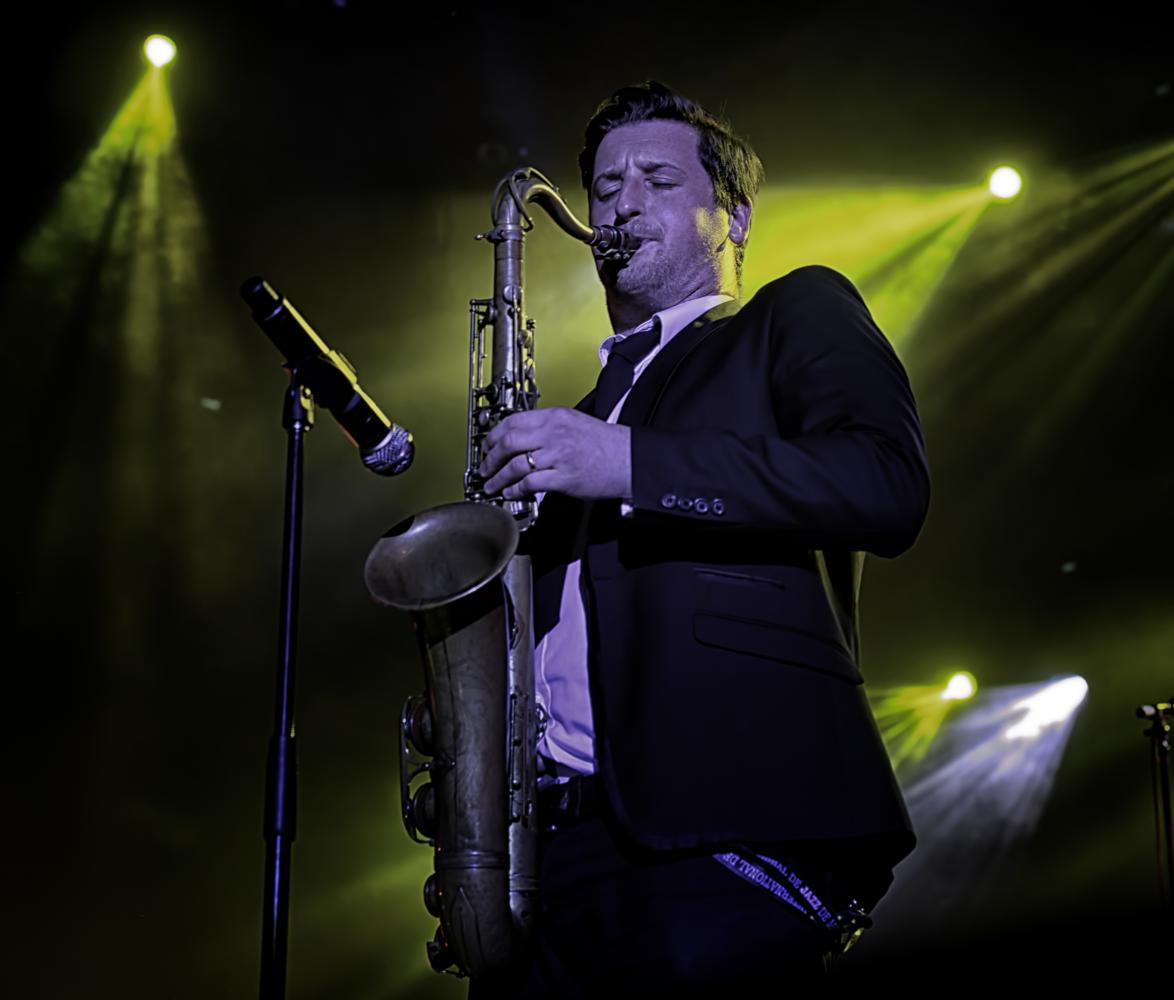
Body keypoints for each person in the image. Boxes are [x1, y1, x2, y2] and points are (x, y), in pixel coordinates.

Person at [476, 80, 930, 996]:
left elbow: (887, 485)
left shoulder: (790, 314)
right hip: (548, 854)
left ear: (737, 216)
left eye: (656, 179)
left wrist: (632, 465)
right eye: (605, 188)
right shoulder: (585, 414)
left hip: (725, 831)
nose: (622, 203)